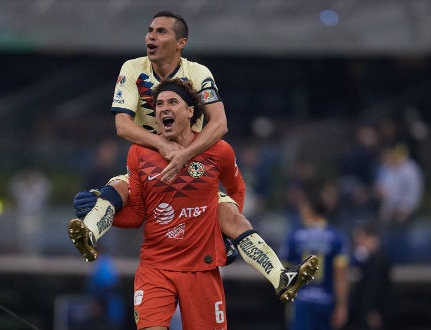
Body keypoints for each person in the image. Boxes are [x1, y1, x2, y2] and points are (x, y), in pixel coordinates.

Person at [68, 11, 318, 303]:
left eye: (161, 31)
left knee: (234, 219)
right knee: (115, 189)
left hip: (195, 167)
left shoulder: (199, 73)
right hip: (149, 166)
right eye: (150, 30)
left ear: (180, 42)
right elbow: (122, 125)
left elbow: (220, 124)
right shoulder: (132, 69)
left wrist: (184, 155)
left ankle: (280, 277)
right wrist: (162, 146)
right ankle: (89, 234)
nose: (151, 36)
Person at [281, 184, 350, 330]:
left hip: (301, 301)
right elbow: (341, 275)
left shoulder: (295, 236)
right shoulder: (337, 237)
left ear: (309, 208)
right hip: (326, 301)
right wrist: (342, 306)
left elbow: (284, 272)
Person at [351, 224, 392, 330]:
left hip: (375, 311)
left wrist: (372, 311)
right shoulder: (369, 259)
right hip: (369, 310)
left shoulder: (377, 261)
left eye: (360, 238)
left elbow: (374, 288)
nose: (357, 242)